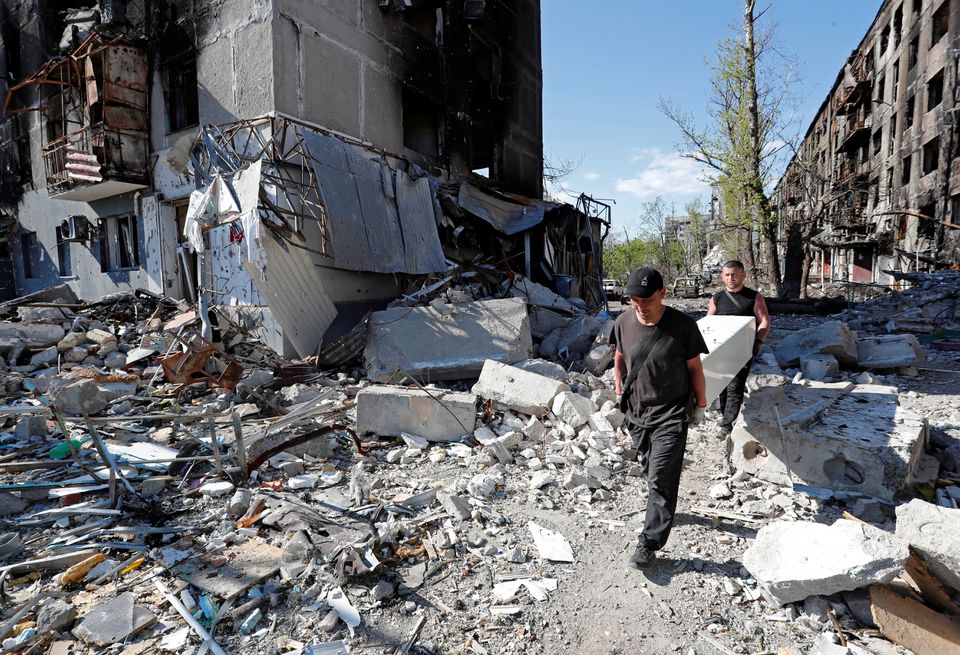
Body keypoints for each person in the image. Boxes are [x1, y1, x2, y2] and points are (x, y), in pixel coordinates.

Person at [612, 267, 708, 569]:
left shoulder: (683, 326)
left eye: (647, 300)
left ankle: (650, 543)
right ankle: (662, 502)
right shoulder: (622, 322)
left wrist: (701, 405)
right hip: (636, 413)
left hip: (671, 413)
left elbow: (695, 369)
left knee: (660, 478)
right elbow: (619, 359)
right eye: (634, 301)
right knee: (651, 468)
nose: (640, 307)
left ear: (662, 294)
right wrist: (619, 389)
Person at [706, 260, 771, 435]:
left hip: (743, 349)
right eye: (727, 274)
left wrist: (758, 341)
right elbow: (708, 322)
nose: (731, 278)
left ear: (743, 275)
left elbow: (764, 321)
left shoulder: (754, 296)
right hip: (721, 349)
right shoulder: (717, 298)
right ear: (722, 276)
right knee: (722, 385)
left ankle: (727, 425)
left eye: (734, 274)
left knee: (735, 385)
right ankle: (725, 416)